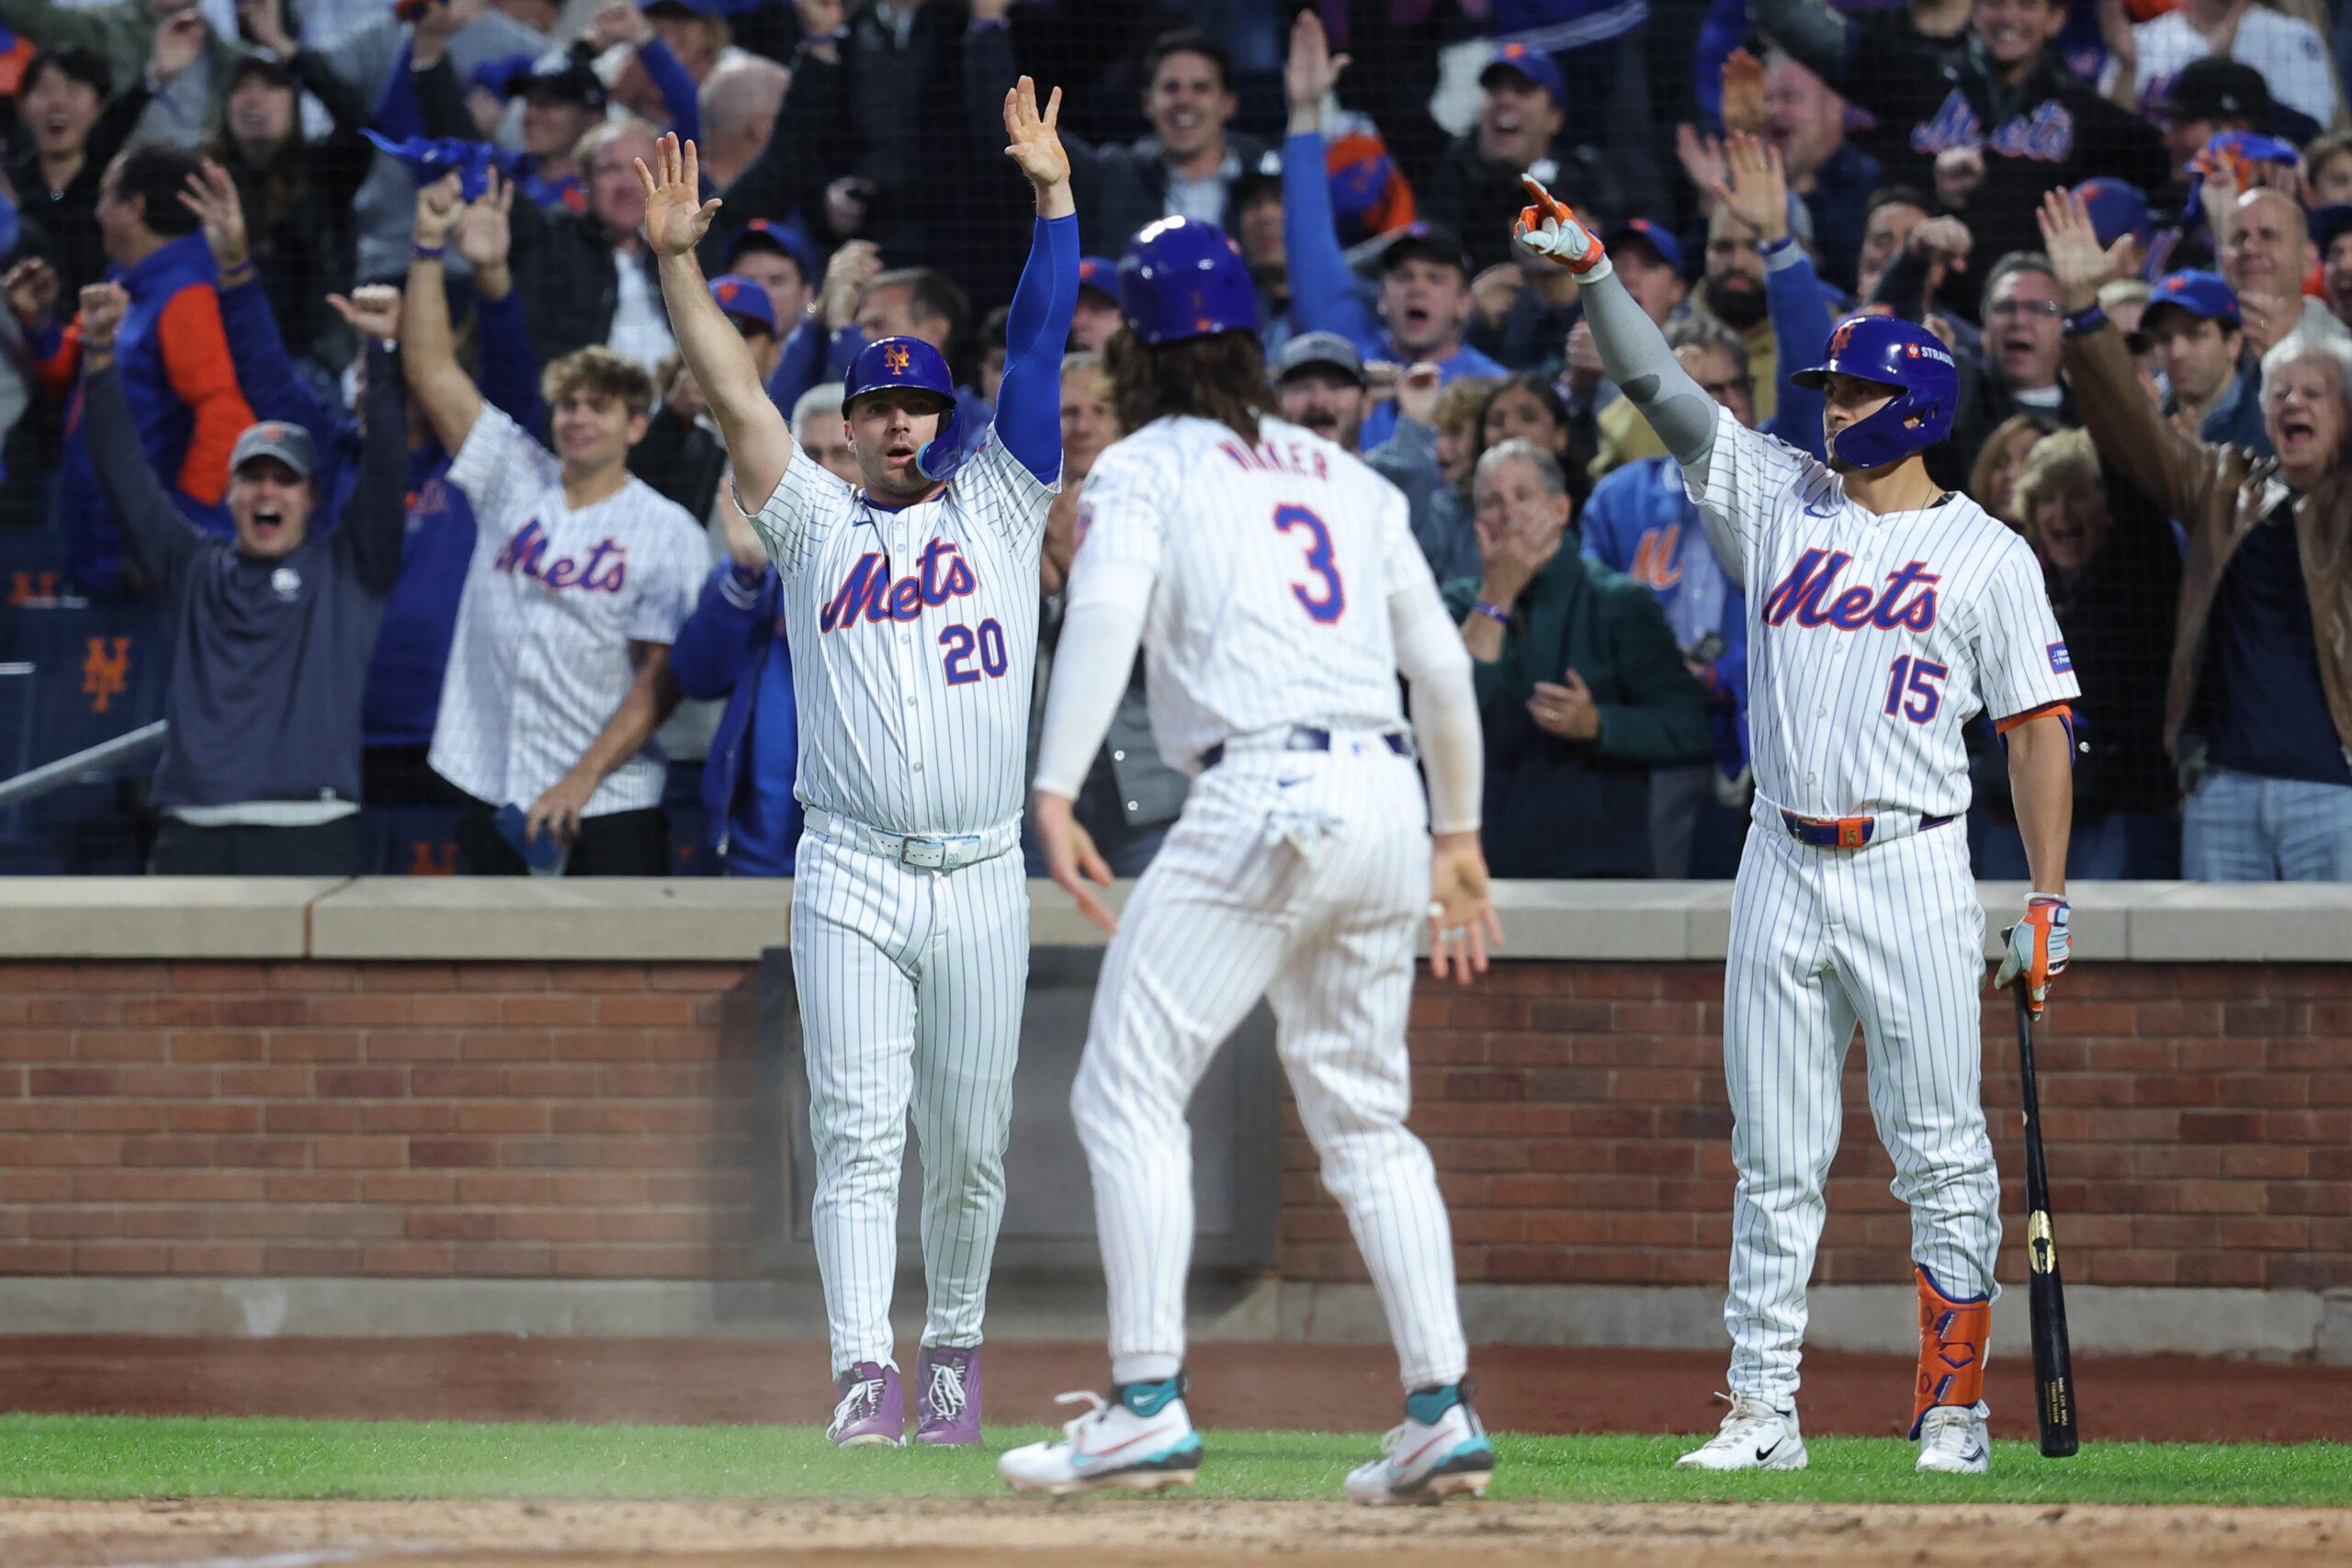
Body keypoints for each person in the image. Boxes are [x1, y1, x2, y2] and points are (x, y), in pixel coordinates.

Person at [1519, 175, 2076, 1475]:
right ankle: (1761, 1409)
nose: (1832, 406)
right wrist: (1600, 272)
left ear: (1922, 403)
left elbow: (2040, 727)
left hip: (1917, 857)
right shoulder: (1779, 496)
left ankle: (1952, 1410)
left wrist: (2049, 897)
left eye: (1856, 391)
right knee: (1773, 1155)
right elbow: (1662, 392)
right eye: (1828, 388)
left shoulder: (1988, 554)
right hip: (1778, 852)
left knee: (1941, 1148)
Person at [1000, 212, 1502, 1508]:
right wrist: (1459, 833)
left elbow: (1104, 614)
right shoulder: (1351, 474)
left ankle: (1147, 1400)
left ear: (1140, 353)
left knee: (1124, 1089)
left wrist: (1052, 786)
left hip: (1262, 794)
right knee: (1364, 1114)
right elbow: (1442, 669)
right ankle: (1440, 1405)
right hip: (1390, 797)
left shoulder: (1147, 468)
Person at [639, 75, 1076, 1443]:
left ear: (946, 414)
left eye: (916, 404)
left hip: (981, 874)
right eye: (876, 406)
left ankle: (951, 1355)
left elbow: (1048, 339)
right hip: (849, 869)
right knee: (856, 1128)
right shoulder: (818, 524)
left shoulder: (1006, 502)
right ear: (849, 422)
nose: (897, 423)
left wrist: (1055, 198)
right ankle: (859, 1375)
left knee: (972, 1143)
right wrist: (675, 261)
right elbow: (725, 391)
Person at [403, 170, 710, 876]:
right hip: (490, 778)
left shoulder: (668, 530)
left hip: (610, 801)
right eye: (568, 403)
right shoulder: (514, 476)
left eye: (599, 405)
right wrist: (427, 246)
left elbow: (660, 681)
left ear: (637, 424)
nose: (577, 416)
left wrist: (583, 776)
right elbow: (430, 368)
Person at [2049, 187, 2352, 881]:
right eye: (2280, 393)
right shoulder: (2224, 486)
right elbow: (2134, 433)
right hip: (2221, 793)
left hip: (2336, 794)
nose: (2293, 402)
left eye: (2314, 392)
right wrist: (2085, 317)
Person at [81, 278, 403, 874]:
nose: (265, 491)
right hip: (192, 827)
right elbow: (122, 468)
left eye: (283, 479)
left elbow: (385, 471)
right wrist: (98, 352)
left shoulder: (349, 568)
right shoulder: (192, 564)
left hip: (310, 828)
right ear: (229, 495)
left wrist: (381, 357)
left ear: (312, 497)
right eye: (251, 477)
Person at [1754, 0, 2171, 316]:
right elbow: (1793, 22)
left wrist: (2129, 67)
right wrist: (1929, 186)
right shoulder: (1914, 80)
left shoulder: (2085, 116)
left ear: (2056, 17)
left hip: (2026, 321)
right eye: (1994, 1)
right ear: (1973, 9)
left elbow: (2167, 173)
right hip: (1916, 311)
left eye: (2027, 3)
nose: (2008, 16)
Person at [1454, 437, 1714, 878]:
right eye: (1492, 502)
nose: (1509, 514)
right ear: (1478, 521)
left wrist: (1601, 724)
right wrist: (1497, 593)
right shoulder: (1458, 607)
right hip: (1482, 866)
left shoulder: (1619, 603)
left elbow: (1691, 727)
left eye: (1523, 496)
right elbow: (1445, 714)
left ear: (1561, 510)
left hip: (1600, 871)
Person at [13, 139, 255, 598]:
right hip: (104, 549)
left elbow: (227, 417)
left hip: (147, 567)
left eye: (106, 197)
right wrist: (42, 324)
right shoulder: (124, 278)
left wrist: (178, 535)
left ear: (134, 208)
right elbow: (75, 375)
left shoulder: (187, 295)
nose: (97, 212)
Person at [1281, 13, 1502, 452]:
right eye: (1403, 277)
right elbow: (1308, 242)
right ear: (1381, 297)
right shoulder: (1348, 352)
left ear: (1464, 304)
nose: (1416, 288)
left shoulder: (1493, 387)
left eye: (1435, 278)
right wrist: (1306, 113)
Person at [1987, 428, 2182, 879]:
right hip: (2015, 817)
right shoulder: (2013, 579)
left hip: (2123, 810)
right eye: (2048, 498)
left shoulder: (2141, 579)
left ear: (2108, 508)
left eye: (2078, 496)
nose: (2063, 512)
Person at [1030, 350, 1186, 880]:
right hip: (1029, 780)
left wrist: (1076, 572)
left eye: (1101, 411)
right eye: (1069, 413)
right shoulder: (1009, 510)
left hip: (1148, 782)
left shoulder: (1170, 509)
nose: (1083, 427)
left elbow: (1175, 641)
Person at [965, 18, 1273, 260]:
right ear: (1146, 102)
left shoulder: (1268, 181)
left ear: (1229, 103)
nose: (1184, 101)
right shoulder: (1115, 175)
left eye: (1200, 87)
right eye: (1170, 88)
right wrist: (988, 23)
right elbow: (1012, 125)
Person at [2102, 0, 2336, 145]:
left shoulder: (2290, 35)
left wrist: (2221, 83)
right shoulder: (2145, 38)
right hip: (2162, 185)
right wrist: (2128, 68)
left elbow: (2307, 130)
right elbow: (2112, 138)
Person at [2142, 268, 2266, 453]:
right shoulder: (2148, 417)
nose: (2176, 353)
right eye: (2164, 338)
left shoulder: (2267, 425)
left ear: (2233, 343)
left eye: (2195, 335)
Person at [1271, 330, 1367, 454]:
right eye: (1301, 388)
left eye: (1336, 387)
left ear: (1366, 403)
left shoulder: (1387, 473)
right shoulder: (1250, 473)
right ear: (1276, 404)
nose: (1319, 402)